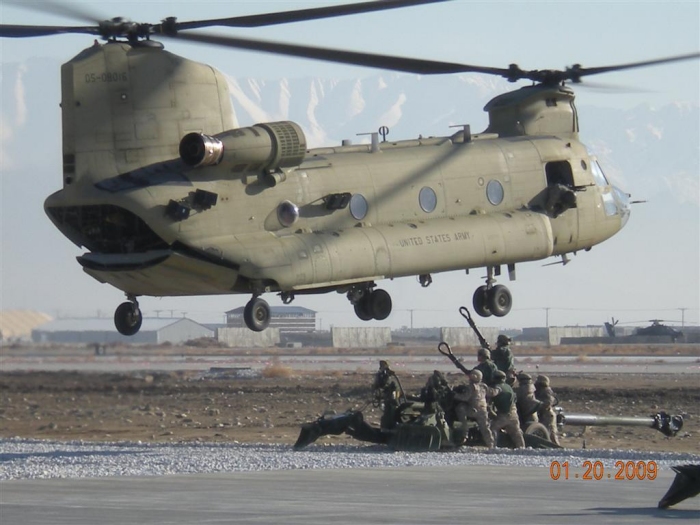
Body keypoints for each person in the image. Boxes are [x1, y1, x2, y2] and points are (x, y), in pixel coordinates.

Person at [453, 369, 494, 448]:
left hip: (473, 410)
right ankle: (491, 445)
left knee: (460, 408)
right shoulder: (484, 386)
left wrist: (455, 395)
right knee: (485, 428)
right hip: (483, 410)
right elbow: (490, 393)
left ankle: (465, 430)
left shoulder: (471, 387)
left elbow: (465, 398)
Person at [489, 370, 525, 448]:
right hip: (514, 414)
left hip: (503, 415)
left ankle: (492, 447)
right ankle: (522, 448)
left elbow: (493, 393)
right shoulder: (508, 387)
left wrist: (484, 390)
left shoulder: (498, 387)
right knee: (516, 432)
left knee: (492, 429)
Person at [372, 360, 404, 430]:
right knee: (388, 410)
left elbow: (386, 384)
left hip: (393, 395)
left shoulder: (389, 375)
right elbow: (380, 384)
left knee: (392, 408)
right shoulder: (382, 374)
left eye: (383, 365)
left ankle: (392, 425)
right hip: (388, 395)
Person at [535, 374, 560, 446]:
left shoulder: (547, 391)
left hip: (548, 415)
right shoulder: (539, 390)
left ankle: (558, 448)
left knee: (551, 434)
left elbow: (548, 403)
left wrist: (539, 404)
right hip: (543, 414)